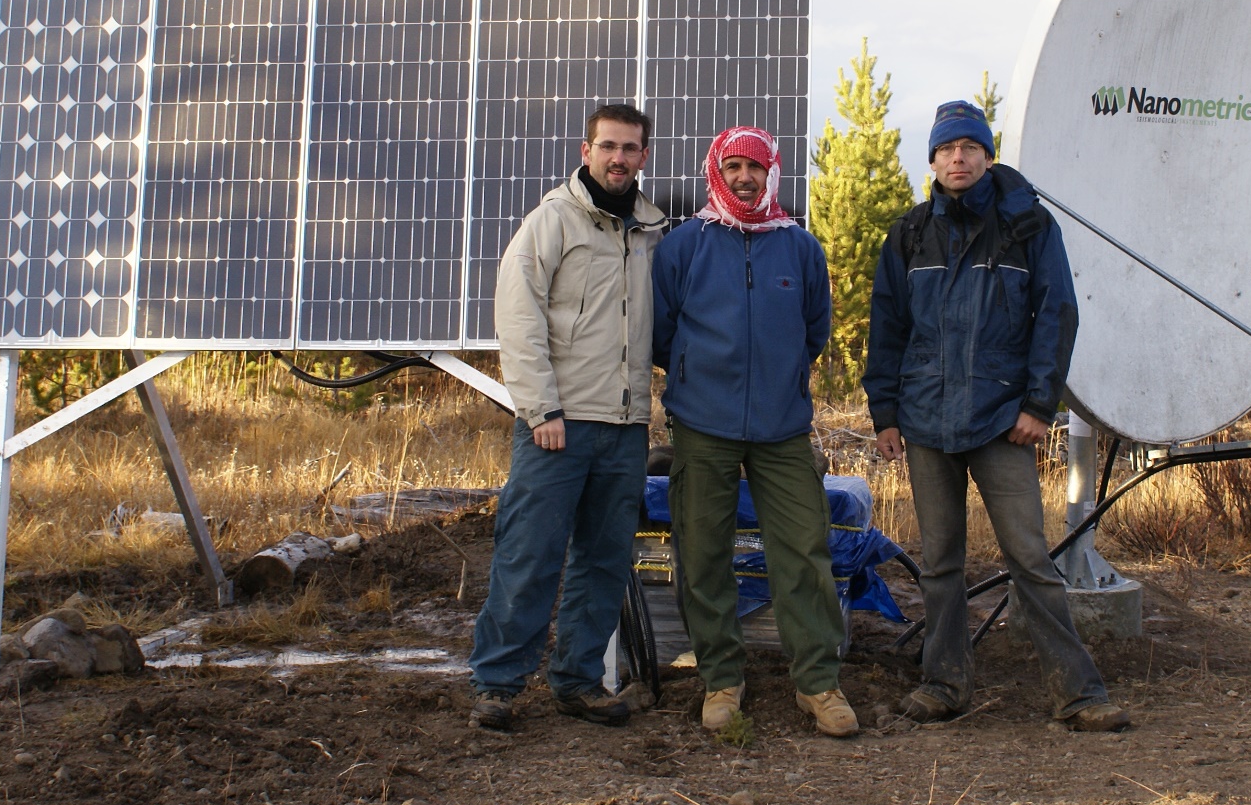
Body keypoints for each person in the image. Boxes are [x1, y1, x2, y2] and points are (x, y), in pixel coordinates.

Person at [863, 100, 1129, 732]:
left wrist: (1040, 404)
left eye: (970, 147)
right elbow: (888, 328)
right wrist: (885, 414)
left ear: (988, 156)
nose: (958, 158)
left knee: (1030, 558)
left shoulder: (1028, 228)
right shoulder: (908, 234)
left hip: (1002, 419)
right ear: (931, 160)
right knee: (941, 562)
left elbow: (1056, 316)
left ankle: (1079, 693)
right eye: (947, 148)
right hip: (926, 420)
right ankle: (945, 683)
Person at [468, 103, 667, 732]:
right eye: (607, 146)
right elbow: (519, 320)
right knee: (530, 554)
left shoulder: (652, 232)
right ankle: (498, 683)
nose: (618, 158)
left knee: (604, 560)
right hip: (557, 423)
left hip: (626, 426)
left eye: (630, 148)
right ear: (586, 151)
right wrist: (541, 408)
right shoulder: (551, 222)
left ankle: (577, 679)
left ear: (643, 157)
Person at [653, 126, 857, 738]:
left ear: (772, 173)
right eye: (734, 165)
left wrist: (780, 377)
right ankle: (721, 678)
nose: (745, 176)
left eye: (756, 167)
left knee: (804, 553)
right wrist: (695, 378)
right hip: (702, 425)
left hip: (782, 428)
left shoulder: (800, 248)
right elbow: (663, 335)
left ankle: (817, 683)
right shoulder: (683, 245)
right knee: (705, 551)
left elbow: (813, 331)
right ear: (717, 168)